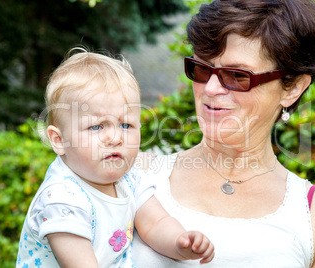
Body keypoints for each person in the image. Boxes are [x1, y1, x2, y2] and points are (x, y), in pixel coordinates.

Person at [132, 0, 315, 267]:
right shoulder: (136, 175)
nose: (211, 89)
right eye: (202, 69)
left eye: (237, 76)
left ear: (293, 88)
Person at [16, 48, 214, 268]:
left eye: (125, 125)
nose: (115, 137)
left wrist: (180, 243)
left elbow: (155, 223)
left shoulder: (129, 177)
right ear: (59, 140)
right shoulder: (62, 197)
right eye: (96, 126)